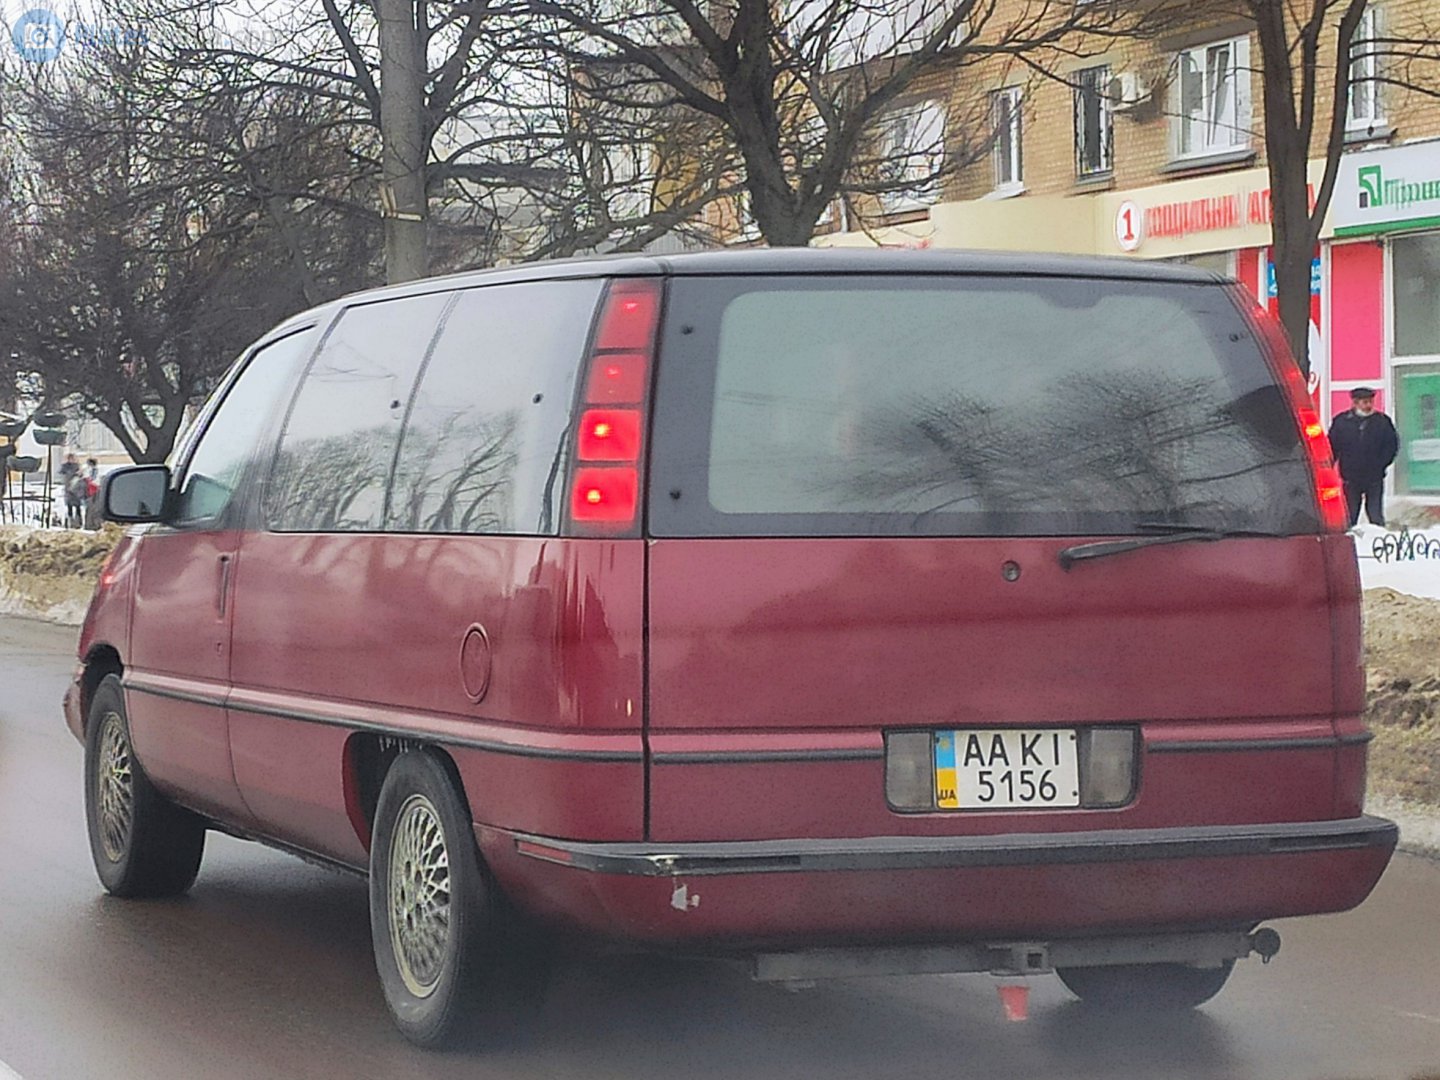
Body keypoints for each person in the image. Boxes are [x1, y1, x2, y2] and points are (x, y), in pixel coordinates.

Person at [1327, 386, 1399, 527]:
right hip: (1350, 476)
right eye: (1364, 402)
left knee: (1375, 513)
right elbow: (1332, 446)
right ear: (1355, 403)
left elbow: (1391, 446)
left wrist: (1381, 464)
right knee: (1350, 514)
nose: (1368, 405)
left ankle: (1378, 540)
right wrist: (1329, 465)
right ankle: (1350, 539)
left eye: (1370, 402)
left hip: (1374, 475)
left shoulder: (1382, 422)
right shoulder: (1341, 422)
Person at [60, 453, 84, 528]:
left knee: (78, 507)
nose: (72, 460)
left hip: (76, 488)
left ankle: (79, 522)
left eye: (73, 458)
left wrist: (79, 473)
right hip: (68, 488)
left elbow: (81, 475)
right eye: (70, 458)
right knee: (69, 506)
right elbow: (61, 472)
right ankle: (70, 522)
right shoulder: (65, 466)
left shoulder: (77, 466)